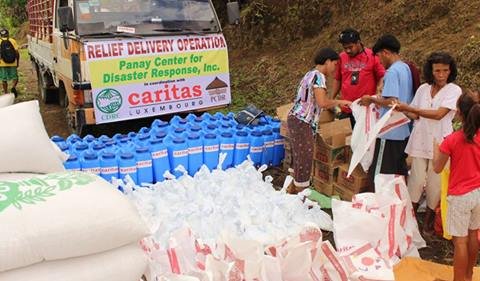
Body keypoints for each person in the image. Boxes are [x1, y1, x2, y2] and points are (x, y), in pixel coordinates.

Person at [395, 52, 461, 235]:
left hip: (441, 142)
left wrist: (408, 107)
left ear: (450, 71)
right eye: (437, 70)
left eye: (445, 70)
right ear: (430, 71)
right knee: (415, 180)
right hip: (420, 139)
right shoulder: (423, 89)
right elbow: (415, 115)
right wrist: (398, 108)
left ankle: (428, 222)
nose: (441, 74)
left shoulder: (453, 90)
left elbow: (439, 114)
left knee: (435, 182)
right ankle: (410, 218)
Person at [287, 48, 351, 194]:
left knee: (298, 160)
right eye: (334, 64)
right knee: (304, 160)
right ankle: (300, 199)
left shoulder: (309, 74)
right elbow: (322, 102)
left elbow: (315, 101)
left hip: (296, 120)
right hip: (302, 122)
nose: (335, 69)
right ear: (327, 61)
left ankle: (290, 194)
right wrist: (341, 102)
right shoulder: (319, 76)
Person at [433, 90, 480, 281]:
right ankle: (468, 276)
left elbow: (437, 168)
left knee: (460, 242)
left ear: (458, 112)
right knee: (472, 235)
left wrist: (437, 148)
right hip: (478, 193)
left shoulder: (452, 139)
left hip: (460, 195)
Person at [359, 34, 414, 191]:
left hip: (390, 132)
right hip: (403, 129)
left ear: (385, 52)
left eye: (378, 57)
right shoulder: (405, 68)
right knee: (398, 172)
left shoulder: (391, 72)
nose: (379, 61)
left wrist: (371, 100)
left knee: (379, 174)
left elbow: (392, 102)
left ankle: (377, 205)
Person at [332, 28, 385, 128]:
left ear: (358, 43)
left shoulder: (372, 56)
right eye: (345, 48)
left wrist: (378, 92)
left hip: (365, 109)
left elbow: (381, 76)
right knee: (346, 140)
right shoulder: (341, 57)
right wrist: (332, 98)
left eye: (350, 47)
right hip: (347, 108)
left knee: (365, 140)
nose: (347, 50)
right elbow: (337, 79)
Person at [0, 28, 19, 97]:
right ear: (8, 34)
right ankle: (13, 87)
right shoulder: (12, 41)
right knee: (15, 78)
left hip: (2, 64)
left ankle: (5, 93)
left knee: (3, 79)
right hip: (12, 62)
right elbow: (17, 53)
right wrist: (17, 62)